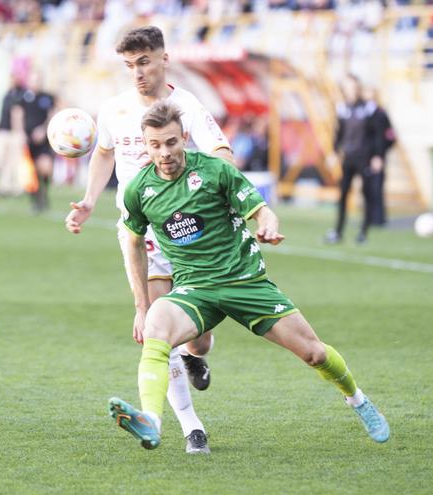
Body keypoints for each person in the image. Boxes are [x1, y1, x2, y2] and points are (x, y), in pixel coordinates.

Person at [108, 101, 390, 451]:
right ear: (145, 145)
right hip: (195, 290)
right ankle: (151, 420)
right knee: (156, 325)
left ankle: (358, 400)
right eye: (155, 145)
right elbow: (133, 244)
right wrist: (140, 306)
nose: (164, 153)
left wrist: (268, 227)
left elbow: (262, 211)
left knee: (314, 354)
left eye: (170, 142)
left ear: (183, 138)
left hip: (246, 283)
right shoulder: (140, 190)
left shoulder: (215, 171)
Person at [64, 26, 235, 454]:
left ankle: (198, 354)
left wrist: (221, 190)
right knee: (157, 328)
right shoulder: (115, 110)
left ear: (164, 59)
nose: (137, 73)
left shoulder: (186, 106)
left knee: (198, 338)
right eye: (129, 65)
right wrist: (88, 200)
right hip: (143, 234)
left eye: (144, 62)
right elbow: (104, 152)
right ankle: (190, 426)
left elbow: (220, 151)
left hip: (192, 231)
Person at [325, 74, 380, 245]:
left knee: (366, 195)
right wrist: (334, 152)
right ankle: (338, 231)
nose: (352, 91)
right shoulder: (343, 109)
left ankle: (363, 232)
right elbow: (339, 134)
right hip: (348, 158)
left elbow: (376, 135)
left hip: (365, 158)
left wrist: (377, 156)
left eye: (354, 87)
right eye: (348, 87)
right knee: (343, 195)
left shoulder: (369, 108)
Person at [21, 72, 57, 213]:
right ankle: (35, 199)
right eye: (33, 80)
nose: (35, 83)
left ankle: (44, 194)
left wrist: (43, 129)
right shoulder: (23, 98)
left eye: (38, 80)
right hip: (28, 141)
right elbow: (18, 115)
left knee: (46, 168)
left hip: (43, 140)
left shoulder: (47, 98)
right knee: (31, 172)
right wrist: (21, 134)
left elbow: (52, 114)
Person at [363, 86, 395, 226]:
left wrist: (379, 155)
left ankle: (379, 219)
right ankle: (368, 218)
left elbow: (389, 136)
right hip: (363, 157)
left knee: (377, 188)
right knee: (366, 188)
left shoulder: (381, 113)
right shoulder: (361, 112)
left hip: (377, 157)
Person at [0, 73, 27, 197]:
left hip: (14, 133)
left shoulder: (21, 95)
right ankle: (4, 186)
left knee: (16, 161)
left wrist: (19, 131)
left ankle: (17, 186)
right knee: (5, 161)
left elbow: (17, 114)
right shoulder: (8, 94)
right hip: (4, 131)